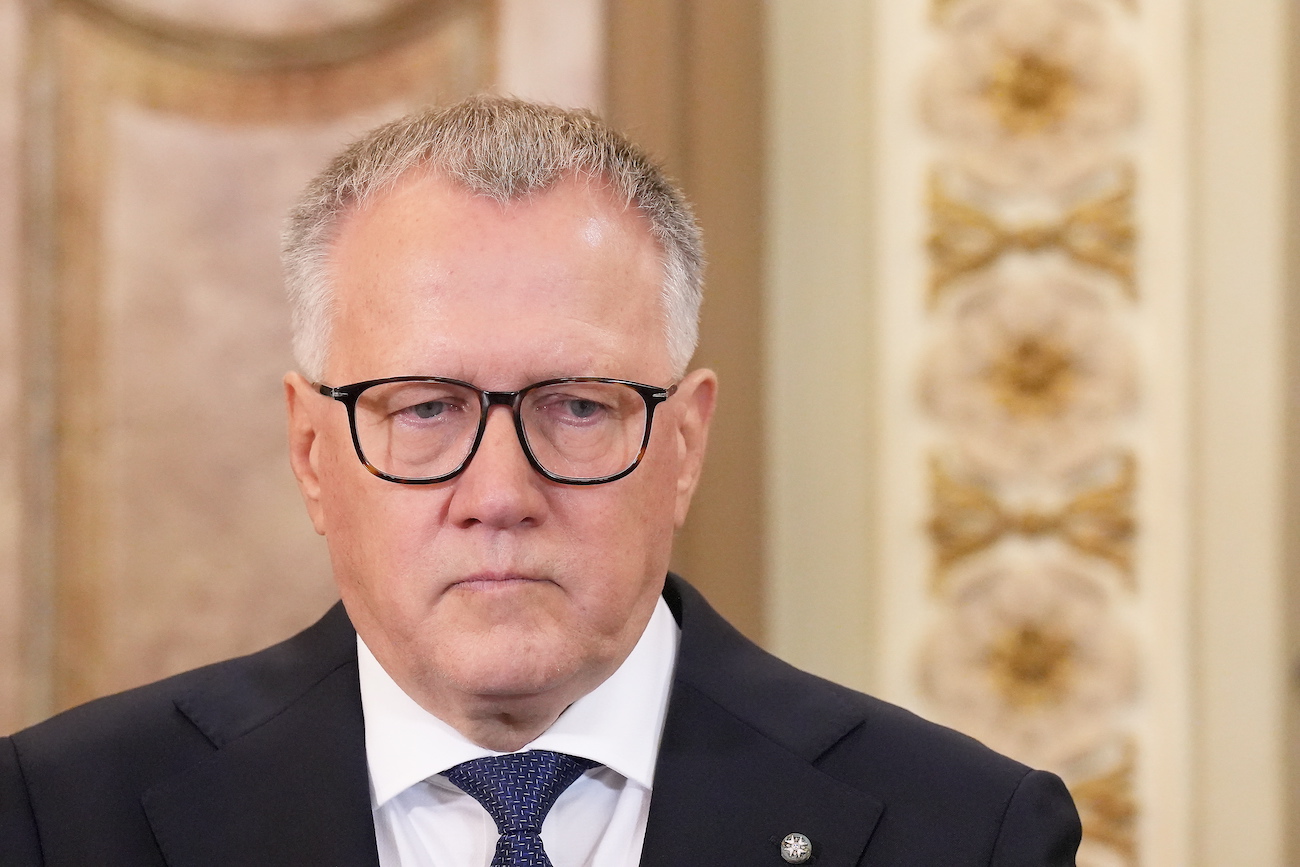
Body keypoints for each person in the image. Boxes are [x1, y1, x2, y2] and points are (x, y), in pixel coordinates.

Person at [0, 95, 1080, 866]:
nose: (500, 493)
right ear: (312, 453)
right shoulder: (56, 819)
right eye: (425, 408)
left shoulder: (963, 832)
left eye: (577, 406)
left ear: (684, 445)